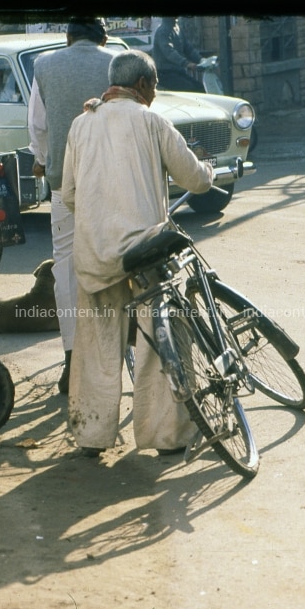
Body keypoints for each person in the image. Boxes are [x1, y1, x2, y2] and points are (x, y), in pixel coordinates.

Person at [61, 50, 214, 457]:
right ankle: (166, 437)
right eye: (156, 85)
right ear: (143, 85)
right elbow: (195, 180)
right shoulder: (151, 121)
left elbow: (70, 193)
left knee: (96, 344)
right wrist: (210, 169)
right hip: (144, 251)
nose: (156, 92)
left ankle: (91, 436)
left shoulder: (80, 124)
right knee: (161, 335)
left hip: (95, 255)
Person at [29, 17, 114, 394]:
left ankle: (71, 360)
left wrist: (43, 160)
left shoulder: (45, 65)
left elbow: (38, 126)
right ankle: (114, 353)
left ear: (68, 37)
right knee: (116, 261)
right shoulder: (116, 63)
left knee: (65, 267)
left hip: (65, 183)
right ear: (103, 37)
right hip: (111, 182)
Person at [151, 16, 204, 92]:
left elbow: (188, 49)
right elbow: (169, 52)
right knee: (192, 90)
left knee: (200, 88)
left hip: (178, 72)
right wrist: (186, 63)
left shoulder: (177, 29)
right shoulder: (162, 31)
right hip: (165, 74)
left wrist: (201, 60)